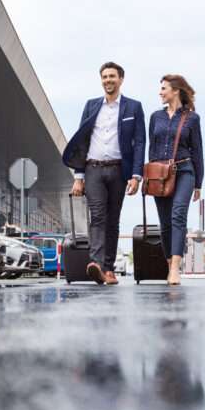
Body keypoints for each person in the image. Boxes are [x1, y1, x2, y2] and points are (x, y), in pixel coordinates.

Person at [61, 62, 146, 285]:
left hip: (119, 170)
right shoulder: (91, 106)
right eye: (104, 77)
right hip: (93, 169)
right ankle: (96, 263)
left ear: (121, 79)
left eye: (112, 76)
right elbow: (81, 141)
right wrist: (78, 177)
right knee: (97, 215)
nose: (108, 80)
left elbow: (139, 143)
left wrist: (137, 175)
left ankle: (108, 269)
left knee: (113, 220)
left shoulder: (133, 107)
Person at [147, 75, 204, 285]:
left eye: (163, 88)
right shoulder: (155, 117)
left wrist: (199, 183)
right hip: (160, 174)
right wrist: (150, 176)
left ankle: (174, 268)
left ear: (176, 91)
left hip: (185, 171)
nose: (160, 92)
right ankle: (169, 260)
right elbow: (151, 149)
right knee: (165, 223)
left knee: (178, 215)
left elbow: (197, 150)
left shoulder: (192, 118)